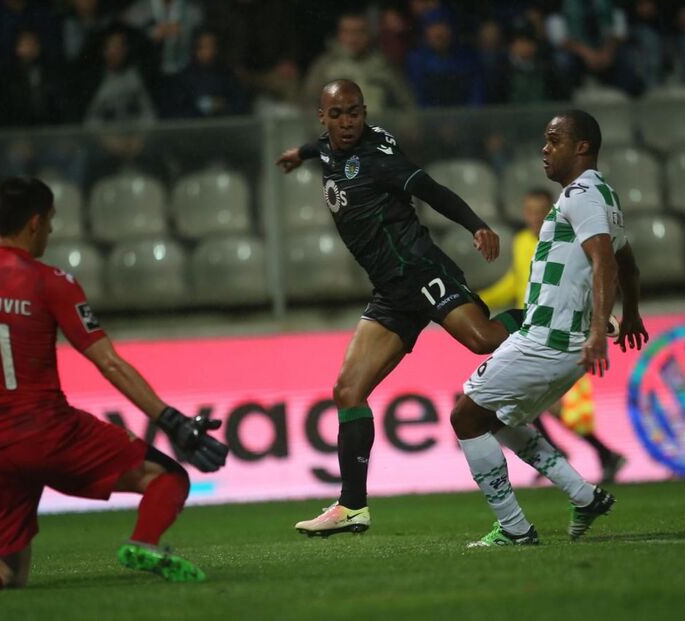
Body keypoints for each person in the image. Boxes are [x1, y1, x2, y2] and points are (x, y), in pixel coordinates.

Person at [0, 177, 228, 592]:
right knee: (169, 478)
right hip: (51, 433)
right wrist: (171, 420)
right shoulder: (50, 281)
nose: (50, 232)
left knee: (5, 574)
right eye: (50, 222)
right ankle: (144, 544)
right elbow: (107, 361)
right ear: (35, 223)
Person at [276, 79, 524, 537]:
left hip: (419, 268)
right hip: (390, 290)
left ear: (364, 111)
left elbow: (432, 190)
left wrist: (477, 225)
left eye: (355, 112)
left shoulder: (378, 157)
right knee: (348, 391)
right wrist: (299, 154)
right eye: (337, 115)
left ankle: (553, 315)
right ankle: (352, 507)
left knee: (482, 340)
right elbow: (320, 148)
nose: (347, 123)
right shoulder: (329, 148)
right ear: (322, 117)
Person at [450, 110, 648, 547]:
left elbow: (605, 261)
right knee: (497, 417)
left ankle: (515, 528)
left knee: (465, 414)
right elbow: (626, 262)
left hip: (550, 339)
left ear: (581, 147)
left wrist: (601, 329)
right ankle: (583, 495)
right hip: (559, 340)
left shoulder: (582, 195)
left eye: (554, 140)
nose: (545, 148)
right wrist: (630, 313)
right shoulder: (603, 196)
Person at [480, 188, 627, 485]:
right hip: (530, 333)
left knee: (537, 404)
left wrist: (599, 319)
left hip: (562, 333)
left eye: (540, 212)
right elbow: (515, 283)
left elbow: (587, 281)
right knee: (537, 404)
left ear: (553, 212)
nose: (534, 218)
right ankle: (597, 454)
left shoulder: (569, 240)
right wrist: (477, 300)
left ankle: (564, 455)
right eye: (529, 212)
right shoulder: (522, 242)